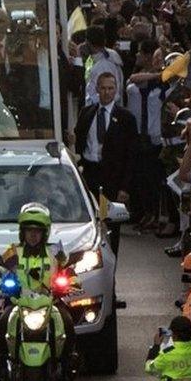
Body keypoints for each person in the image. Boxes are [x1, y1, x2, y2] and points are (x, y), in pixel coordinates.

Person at [0, 203, 77, 381]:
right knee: (3, 320)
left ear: (45, 233)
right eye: (29, 231)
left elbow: (67, 269)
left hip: (50, 301)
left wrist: (72, 283)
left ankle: (67, 365)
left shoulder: (55, 251)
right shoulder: (13, 251)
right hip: (19, 302)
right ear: (22, 232)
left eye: (37, 231)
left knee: (67, 320)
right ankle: (2, 364)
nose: (33, 235)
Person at [72, 72, 138, 252]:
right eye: (103, 88)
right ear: (97, 89)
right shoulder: (87, 113)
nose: (107, 92)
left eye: (111, 88)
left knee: (110, 225)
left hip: (112, 178)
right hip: (90, 173)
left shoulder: (125, 118)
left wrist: (125, 187)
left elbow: (131, 155)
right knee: (90, 220)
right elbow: (79, 142)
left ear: (116, 90)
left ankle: (110, 262)